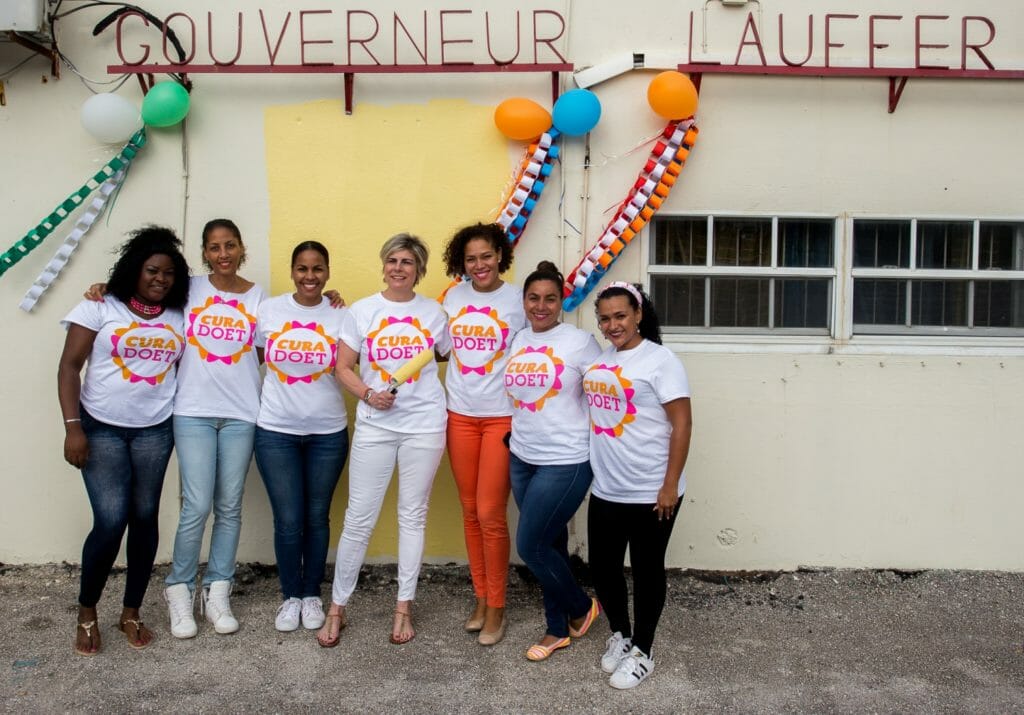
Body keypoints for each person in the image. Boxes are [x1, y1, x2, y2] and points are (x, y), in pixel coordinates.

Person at [58, 226, 190, 656]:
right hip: (101, 428)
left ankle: (131, 610)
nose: (161, 279)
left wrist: (329, 299)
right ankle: (87, 610)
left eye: (169, 273)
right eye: (153, 270)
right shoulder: (100, 306)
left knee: (145, 516)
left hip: (156, 429)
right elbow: (68, 367)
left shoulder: (181, 313)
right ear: (135, 269)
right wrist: (73, 427)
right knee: (112, 520)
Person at [318, 233, 450, 647]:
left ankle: (403, 607)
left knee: (413, 515)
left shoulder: (435, 314)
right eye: (392, 260)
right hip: (376, 424)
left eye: (407, 262)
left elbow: (443, 356)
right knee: (359, 517)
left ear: (419, 269)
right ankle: (337, 608)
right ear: (383, 264)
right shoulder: (361, 311)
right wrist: (368, 394)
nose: (398, 268)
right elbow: (342, 367)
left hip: (425, 425)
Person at [583, 282, 692, 689]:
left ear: (639, 314)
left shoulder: (661, 360)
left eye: (621, 316)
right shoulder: (603, 360)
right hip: (608, 486)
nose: (613, 325)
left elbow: (682, 423)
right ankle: (621, 635)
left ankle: (643, 650)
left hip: (652, 490)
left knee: (646, 571)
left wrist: (669, 485)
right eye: (605, 319)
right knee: (604, 567)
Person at [162, 219, 265, 638]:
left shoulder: (259, 297)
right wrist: (102, 290)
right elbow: (140, 298)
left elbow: (278, 337)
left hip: (242, 413)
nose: (223, 254)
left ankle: (218, 589)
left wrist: (331, 300)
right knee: (197, 504)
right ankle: (180, 589)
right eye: (214, 247)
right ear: (204, 253)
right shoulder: (188, 289)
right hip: (193, 411)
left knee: (230, 505)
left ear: (242, 248)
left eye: (230, 245)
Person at [503, 261, 603, 661]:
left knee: (531, 545)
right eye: (533, 298)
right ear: (524, 301)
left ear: (562, 301)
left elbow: (606, 393)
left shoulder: (580, 342)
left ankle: (582, 607)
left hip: (567, 459)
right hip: (523, 456)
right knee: (551, 543)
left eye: (550, 299)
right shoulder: (518, 339)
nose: (541, 306)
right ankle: (557, 629)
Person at [252, 241, 350, 633]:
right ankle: (290, 596)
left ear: (327, 272)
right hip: (276, 430)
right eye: (303, 269)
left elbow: (352, 362)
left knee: (316, 516)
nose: (310, 277)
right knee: (288, 519)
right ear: (292, 271)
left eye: (318, 269)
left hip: (327, 433)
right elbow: (255, 356)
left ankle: (312, 594)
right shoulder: (270, 310)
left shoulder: (344, 314)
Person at [440, 223, 525, 646]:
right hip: (459, 415)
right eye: (471, 258)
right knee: (470, 510)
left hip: (501, 418)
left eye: (486, 256)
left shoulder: (518, 300)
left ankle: (498, 605)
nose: (479, 265)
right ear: (463, 262)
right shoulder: (453, 298)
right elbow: (431, 344)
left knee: (492, 513)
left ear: (499, 255)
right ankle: (480, 596)